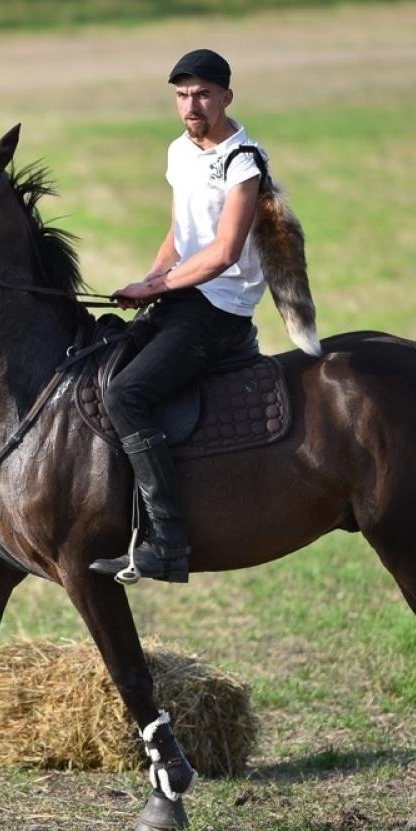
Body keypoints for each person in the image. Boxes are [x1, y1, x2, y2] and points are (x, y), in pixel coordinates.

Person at [90, 48, 268, 585]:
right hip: (183, 296)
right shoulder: (179, 151)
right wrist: (150, 282)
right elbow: (179, 233)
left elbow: (224, 253)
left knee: (127, 395)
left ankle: (167, 541)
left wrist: (157, 287)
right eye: (183, 95)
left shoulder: (243, 162)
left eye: (204, 94)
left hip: (221, 309)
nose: (192, 105)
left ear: (227, 97)